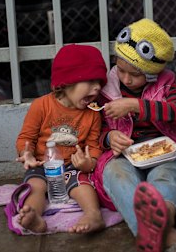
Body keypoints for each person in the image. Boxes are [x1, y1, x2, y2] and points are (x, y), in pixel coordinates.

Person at [91, 19, 176, 252]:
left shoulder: (165, 82)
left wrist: (136, 105)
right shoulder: (106, 86)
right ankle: (169, 235)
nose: (126, 79)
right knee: (115, 175)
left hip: (163, 151)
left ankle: (164, 220)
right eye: (121, 70)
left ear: (152, 73)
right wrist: (109, 138)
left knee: (164, 178)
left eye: (135, 74)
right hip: (122, 156)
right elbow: (96, 128)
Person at [14, 44, 107, 233]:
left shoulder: (93, 113)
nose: (97, 87)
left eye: (99, 81)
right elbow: (26, 138)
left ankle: (93, 215)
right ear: (66, 83)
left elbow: (94, 146)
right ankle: (34, 217)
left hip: (72, 167)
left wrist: (88, 163)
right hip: (42, 165)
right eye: (90, 81)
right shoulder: (41, 106)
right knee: (35, 186)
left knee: (81, 183)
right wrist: (27, 154)